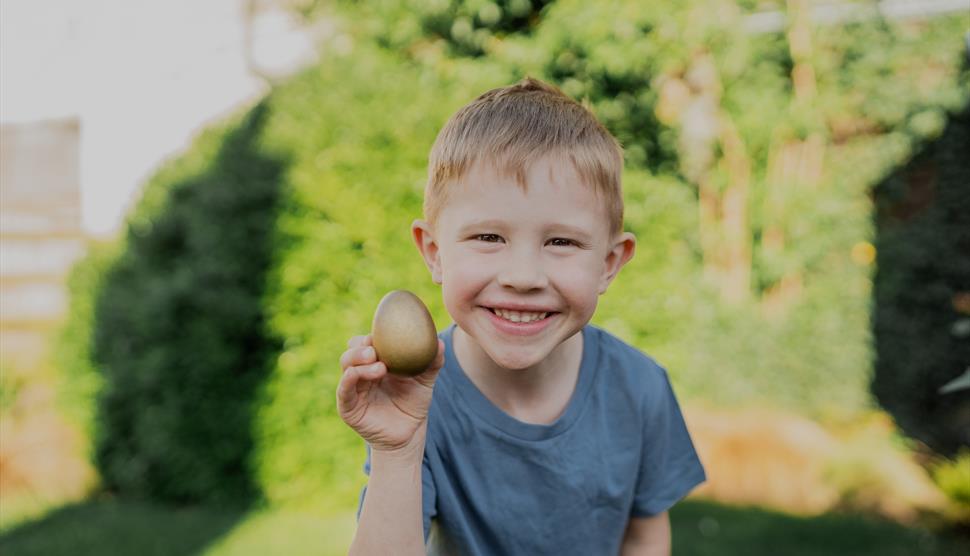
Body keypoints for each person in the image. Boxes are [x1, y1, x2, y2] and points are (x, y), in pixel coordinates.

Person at [337, 77, 705, 555]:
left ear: (609, 264)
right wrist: (395, 450)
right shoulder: (420, 402)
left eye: (561, 242)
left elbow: (644, 535)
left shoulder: (640, 389)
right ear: (434, 252)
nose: (524, 276)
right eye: (489, 238)